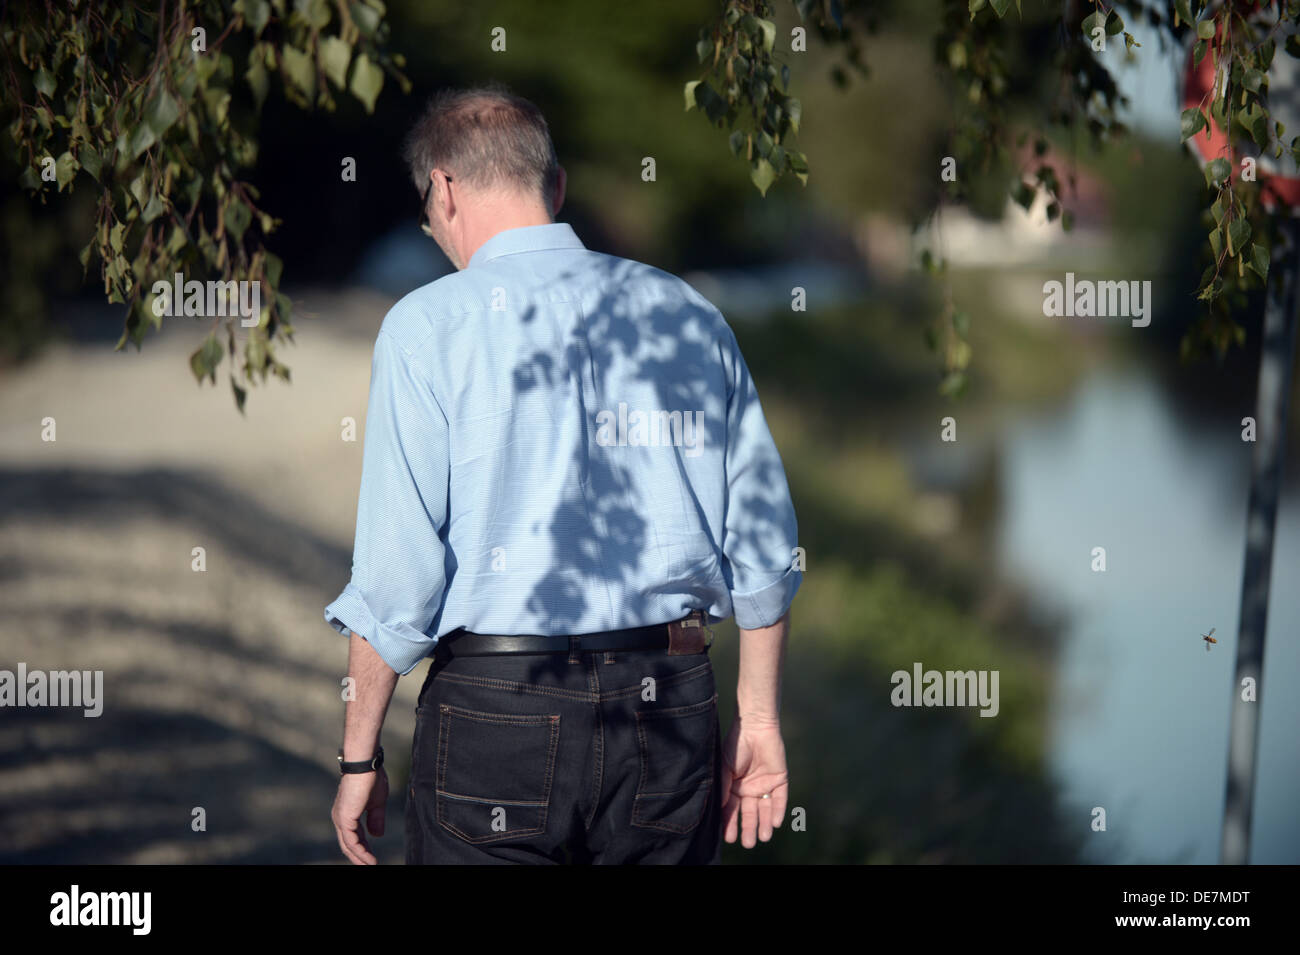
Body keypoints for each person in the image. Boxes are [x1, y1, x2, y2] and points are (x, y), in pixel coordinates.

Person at [324, 84, 801, 865]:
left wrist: (358, 758)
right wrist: (758, 719)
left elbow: (397, 582)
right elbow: (762, 545)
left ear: (442, 188)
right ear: (556, 186)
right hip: (669, 704)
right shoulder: (688, 312)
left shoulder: (425, 326)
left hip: (495, 710)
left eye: (424, 207)